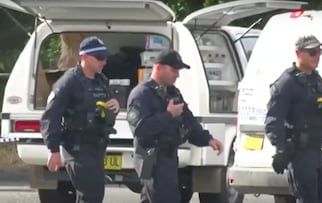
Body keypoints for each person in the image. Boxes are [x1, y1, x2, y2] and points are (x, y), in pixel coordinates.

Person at [126, 49, 224, 203]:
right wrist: (168, 115)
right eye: (174, 70)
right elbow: (140, 129)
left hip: (169, 158)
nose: (177, 75)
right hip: (153, 160)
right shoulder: (142, 94)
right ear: (158, 68)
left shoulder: (173, 93)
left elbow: (188, 121)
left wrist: (208, 140)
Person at [265, 35, 322, 203]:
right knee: (308, 197)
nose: (317, 56)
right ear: (298, 53)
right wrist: (280, 149)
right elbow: (274, 120)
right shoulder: (286, 83)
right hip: (299, 154)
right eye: (312, 52)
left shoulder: (316, 80)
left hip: (316, 152)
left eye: (319, 52)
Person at [40, 36, 120, 203]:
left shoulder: (101, 81)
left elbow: (106, 112)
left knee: (95, 195)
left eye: (105, 57)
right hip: (77, 149)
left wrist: (114, 106)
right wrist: (53, 150)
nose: (103, 62)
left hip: (96, 147)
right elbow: (51, 116)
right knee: (90, 195)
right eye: (99, 58)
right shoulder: (69, 82)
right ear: (84, 57)